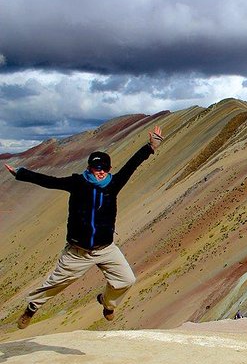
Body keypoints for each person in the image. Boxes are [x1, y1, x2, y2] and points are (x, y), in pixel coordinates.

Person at [4, 126, 164, 329]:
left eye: (104, 169)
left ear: (109, 169)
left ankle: (107, 303)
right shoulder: (77, 183)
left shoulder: (113, 184)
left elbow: (132, 165)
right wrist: (21, 174)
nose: (100, 172)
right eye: (97, 168)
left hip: (106, 249)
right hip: (77, 252)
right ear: (89, 168)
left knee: (126, 279)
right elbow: (49, 181)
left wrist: (150, 147)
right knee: (54, 284)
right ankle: (31, 308)